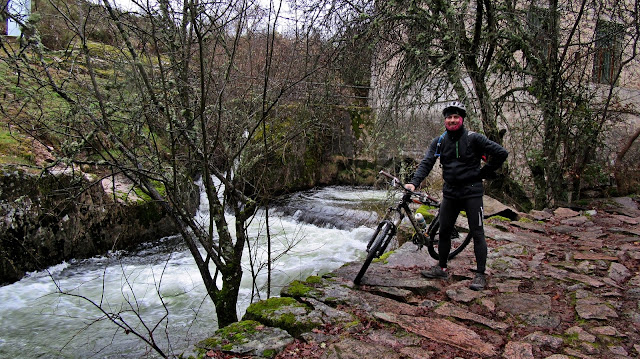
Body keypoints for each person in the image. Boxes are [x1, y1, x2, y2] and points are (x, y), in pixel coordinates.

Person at [404, 101, 508, 291]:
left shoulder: (474, 138)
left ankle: (480, 275)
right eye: (449, 117)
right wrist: (414, 182)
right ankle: (441, 267)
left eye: (456, 117)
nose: (452, 120)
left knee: (477, 233)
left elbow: (501, 153)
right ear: (445, 119)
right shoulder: (440, 141)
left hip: (472, 192)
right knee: (444, 231)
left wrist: (484, 173)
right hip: (450, 192)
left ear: (462, 119)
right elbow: (427, 162)